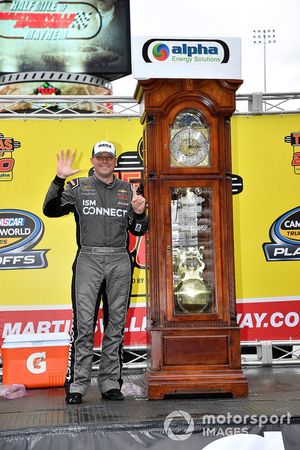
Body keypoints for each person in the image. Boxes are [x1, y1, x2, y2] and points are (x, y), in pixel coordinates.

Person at [43, 141, 147, 404]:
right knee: (84, 325)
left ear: (114, 162)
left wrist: (139, 213)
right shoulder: (78, 188)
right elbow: (50, 210)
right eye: (99, 157)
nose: (104, 161)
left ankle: (110, 383)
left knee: (115, 325)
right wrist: (59, 178)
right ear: (92, 160)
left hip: (119, 261)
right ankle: (77, 385)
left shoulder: (129, 189)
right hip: (88, 258)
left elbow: (138, 230)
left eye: (108, 157)